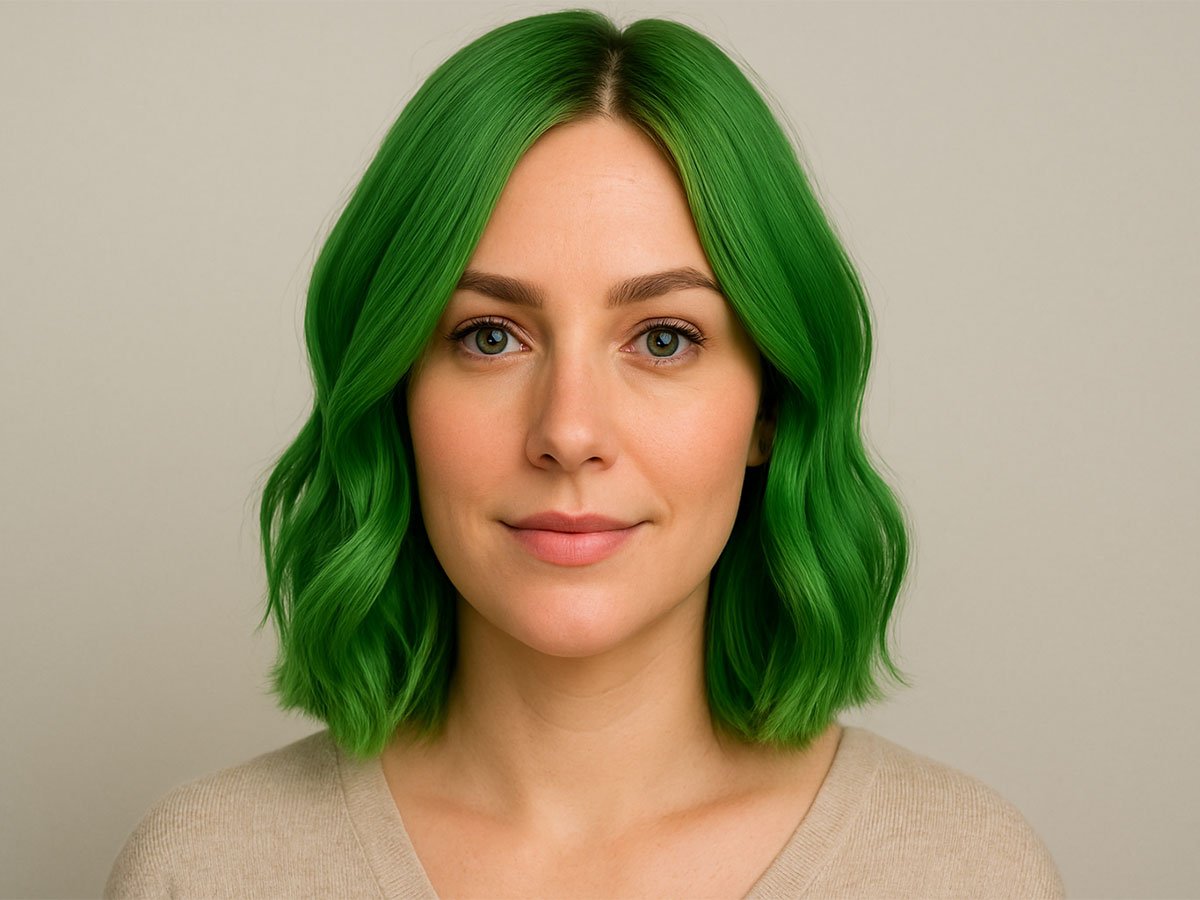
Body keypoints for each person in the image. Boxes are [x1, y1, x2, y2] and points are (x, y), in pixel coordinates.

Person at [104, 9, 1065, 898]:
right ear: (395, 392)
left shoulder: (965, 873)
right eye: (489, 337)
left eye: (664, 339)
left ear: (770, 404)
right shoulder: (208, 870)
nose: (568, 432)